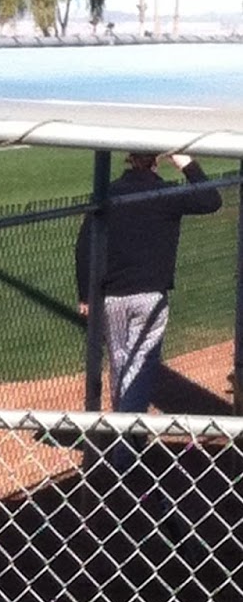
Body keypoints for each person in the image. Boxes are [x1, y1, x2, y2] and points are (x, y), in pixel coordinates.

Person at [75, 152, 221, 414]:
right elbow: (211, 200)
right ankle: (129, 441)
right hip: (150, 298)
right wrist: (186, 163)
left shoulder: (108, 194)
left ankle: (123, 432)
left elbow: (84, 244)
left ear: (128, 160)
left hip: (112, 297)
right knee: (141, 364)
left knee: (120, 362)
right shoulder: (165, 194)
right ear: (156, 162)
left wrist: (85, 295)